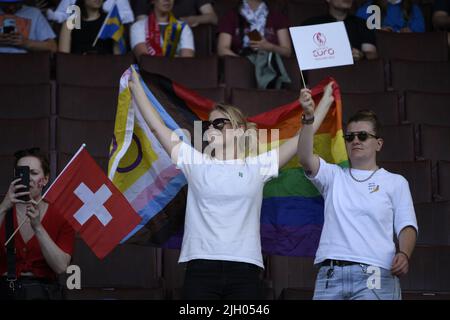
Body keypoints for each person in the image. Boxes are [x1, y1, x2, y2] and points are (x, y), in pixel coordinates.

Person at [128, 67, 332, 299]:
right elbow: (157, 127)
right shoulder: (195, 161)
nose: (212, 130)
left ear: (238, 130)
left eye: (220, 124)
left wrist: (321, 104)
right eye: (209, 125)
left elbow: (300, 140)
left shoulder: (257, 165)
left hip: (245, 269)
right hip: (200, 268)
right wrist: (136, 86)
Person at [297, 89, 418, 300]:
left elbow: (407, 225)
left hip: (376, 272)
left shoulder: (395, 182)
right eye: (350, 136)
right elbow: (306, 158)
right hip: (331, 272)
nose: (356, 141)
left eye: (363, 136)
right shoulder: (333, 175)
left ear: (379, 143)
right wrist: (308, 118)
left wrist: (404, 253)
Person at [0, 148, 75, 300]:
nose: (27, 179)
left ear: (45, 179)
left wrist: (38, 227)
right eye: (22, 173)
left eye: (33, 173)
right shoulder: (3, 210)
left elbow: (61, 267)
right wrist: (3, 207)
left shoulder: (61, 217)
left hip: (43, 293)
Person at [302, 0, 377, 61]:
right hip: (321, 75)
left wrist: (361, 55)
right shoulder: (311, 24)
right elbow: (304, 56)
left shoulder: (362, 24)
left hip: (354, 72)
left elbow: (371, 54)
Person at [217, 0, 291, 58]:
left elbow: (287, 52)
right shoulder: (231, 16)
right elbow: (222, 49)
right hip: (239, 67)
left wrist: (269, 47)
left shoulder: (277, 16)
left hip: (268, 68)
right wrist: (244, 62)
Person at [130, 0, 195, 59]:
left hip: (176, 71)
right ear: (152, 1)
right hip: (148, 71)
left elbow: (186, 61)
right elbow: (145, 60)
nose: (167, 0)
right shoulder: (138, 26)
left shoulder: (183, 27)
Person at [356, 0, 425, 33]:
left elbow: (419, 38)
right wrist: (378, 33)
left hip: (405, 51)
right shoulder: (367, 9)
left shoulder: (414, 10)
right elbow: (359, 34)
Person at [133, 0, 218, 26]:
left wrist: (192, 20)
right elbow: (141, 24)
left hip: (186, 35)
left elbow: (213, 18)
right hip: (154, 38)